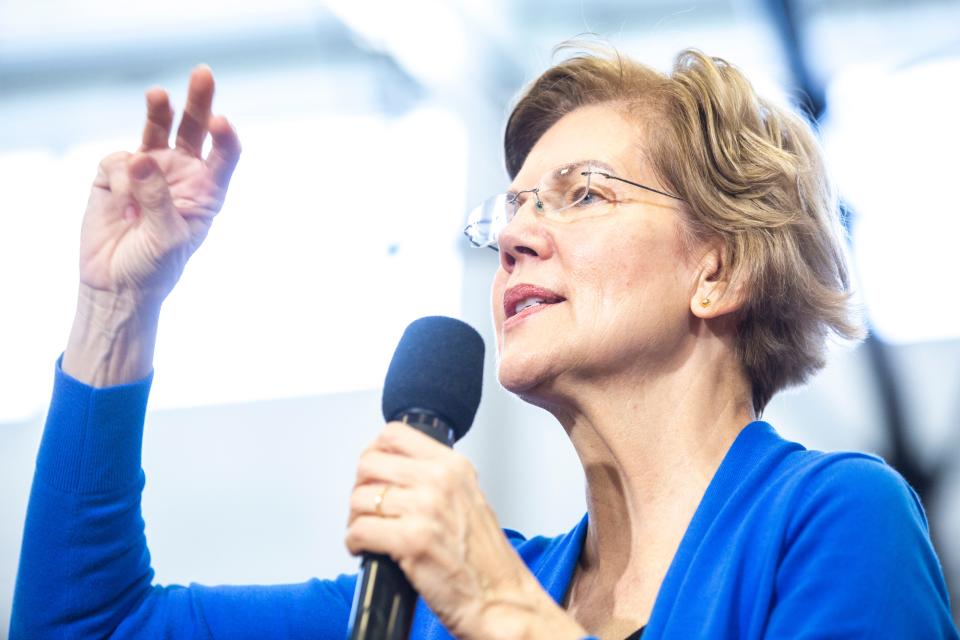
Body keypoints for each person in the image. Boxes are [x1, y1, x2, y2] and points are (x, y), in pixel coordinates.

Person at [10, 46, 959, 639]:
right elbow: (88, 628)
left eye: (583, 193)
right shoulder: (433, 598)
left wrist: (500, 613)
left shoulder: (833, 523)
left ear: (719, 269)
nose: (513, 235)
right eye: (511, 208)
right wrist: (114, 308)